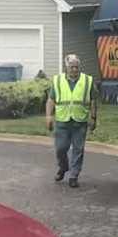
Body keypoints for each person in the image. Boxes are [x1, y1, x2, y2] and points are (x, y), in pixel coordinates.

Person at [46, 54, 97, 188]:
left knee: (78, 150)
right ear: (66, 67)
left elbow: (93, 100)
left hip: (80, 121)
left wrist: (93, 117)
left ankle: (74, 176)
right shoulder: (57, 81)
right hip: (62, 121)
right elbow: (51, 99)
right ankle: (63, 167)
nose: (74, 70)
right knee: (60, 149)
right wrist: (48, 116)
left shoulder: (88, 81)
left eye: (76, 67)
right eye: (71, 67)